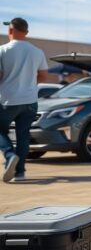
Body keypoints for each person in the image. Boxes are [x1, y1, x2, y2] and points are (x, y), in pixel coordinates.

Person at [0, 18, 47, 183]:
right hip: (30, 101)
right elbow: (43, 75)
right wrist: (28, 84)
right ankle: (20, 173)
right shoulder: (37, 51)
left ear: (10, 30)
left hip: (8, 100)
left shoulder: (3, 50)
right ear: (26, 32)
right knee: (23, 135)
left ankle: (9, 155)